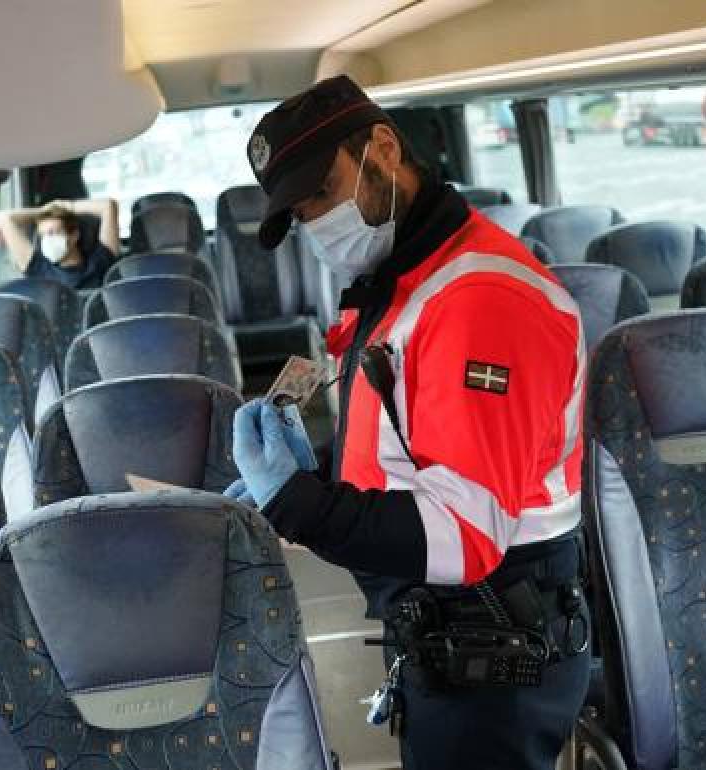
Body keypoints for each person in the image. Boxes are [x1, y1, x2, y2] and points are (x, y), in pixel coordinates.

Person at [228, 76, 589, 770]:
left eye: (325, 192)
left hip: (494, 630)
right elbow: (416, 438)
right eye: (303, 212)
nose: (318, 223)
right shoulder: (411, 279)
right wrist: (326, 469)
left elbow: (466, 536)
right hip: (450, 631)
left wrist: (298, 502)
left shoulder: (480, 300)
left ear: (383, 150)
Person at [0, 198, 120, 289]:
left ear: (74, 235)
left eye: (52, 233)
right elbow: (5, 218)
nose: (46, 240)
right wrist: (43, 210)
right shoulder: (38, 267)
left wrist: (67, 206)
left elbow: (108, 206)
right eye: (43, 235)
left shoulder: (101, 261)